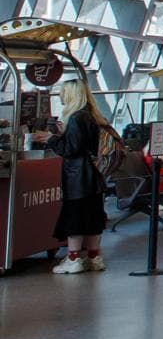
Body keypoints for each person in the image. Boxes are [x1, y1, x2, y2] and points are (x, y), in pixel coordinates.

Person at [48, 81, 109, 274]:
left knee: (75, 218)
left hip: (78, 179)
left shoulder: (75, 117)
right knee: (92, 218)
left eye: (64, 92)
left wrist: (52, 139)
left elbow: (71, 149)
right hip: (94, 178)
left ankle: (73, 258)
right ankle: (94, 256)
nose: (61, 96)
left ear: (71, 95)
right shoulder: (92, 116)